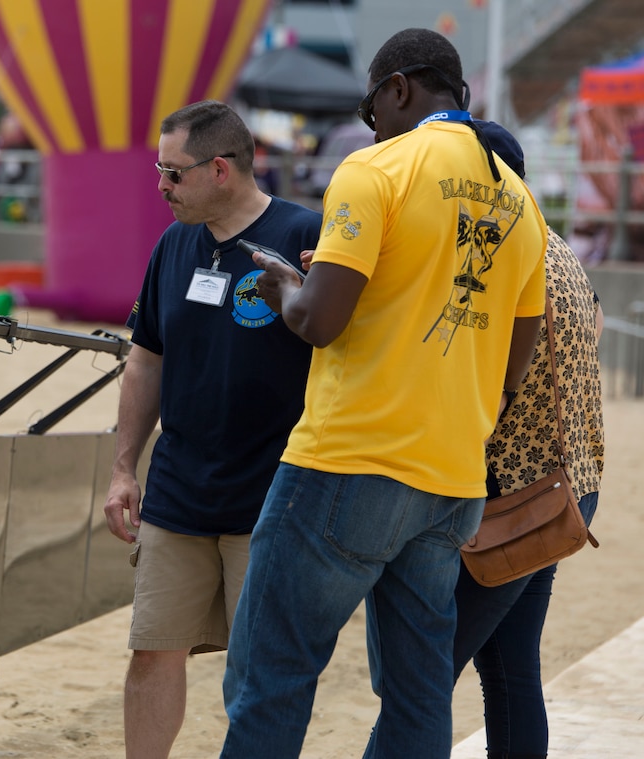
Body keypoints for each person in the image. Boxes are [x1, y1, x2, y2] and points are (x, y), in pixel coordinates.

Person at [219, 28, 549, 758]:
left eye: (373, 108)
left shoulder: (376, 169)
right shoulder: (522, 205)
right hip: (452, 477)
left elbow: (320, 321)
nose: (372, 123)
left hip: (349, 460)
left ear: (397, 88)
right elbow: (513, 364)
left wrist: (286, 287)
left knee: (272, 672)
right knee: (418, 688)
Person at [102, 99, 322, 759]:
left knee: (258, 671)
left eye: (174, 174)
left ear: (220, 169)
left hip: (274, 497)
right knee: (152, 650)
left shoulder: (306, 235)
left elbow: (349, 349)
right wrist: (122, 467)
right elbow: (145, 359)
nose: (161, 187)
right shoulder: (173, 245)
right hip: (178, 491)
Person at [452, 122, 605, 759]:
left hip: (512, 501)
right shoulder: (557, 246)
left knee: (421, 675)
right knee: (511, 669)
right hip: (564, 487)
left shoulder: (505, 253)